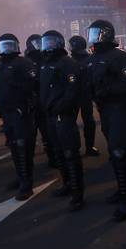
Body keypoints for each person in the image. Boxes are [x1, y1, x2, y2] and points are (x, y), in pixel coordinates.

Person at [86, 19, 126, 222]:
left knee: (119, 152)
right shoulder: (92, 59)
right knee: (113, 152)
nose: (93, 37)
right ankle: (122, 189)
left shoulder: (120, 58)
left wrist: (109, 91)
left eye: (96, 33)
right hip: (105, 111)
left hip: (120, 109)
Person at [39, 30, 85, 211]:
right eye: (46, 42)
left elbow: (73, 89)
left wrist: (61, 107)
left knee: (70, 154)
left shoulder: (68, 63)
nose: (48, 46)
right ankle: (66, 184)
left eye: (51, 42)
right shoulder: (45, 64)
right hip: (49, 115)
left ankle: (77, 193)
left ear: (58, 43)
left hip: (63, 115)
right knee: (58, 152)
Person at [0, 34, 37, 200]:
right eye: (4, 45)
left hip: (21, 110)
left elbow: (32, 85)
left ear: (16, 46)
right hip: (6, 111)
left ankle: (27, 183)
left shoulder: (23, 63)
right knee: (13, 146)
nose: (7, 49)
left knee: (23, 146)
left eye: (10, 45)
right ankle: (20, 177)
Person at [25, 34, 56, 170]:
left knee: (48, 133)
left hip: (44, 102)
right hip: (32, 103)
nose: (37, 45)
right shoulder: (26, 61)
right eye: (35, 43)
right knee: (30, 136)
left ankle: (53, 158)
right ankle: (28, 165)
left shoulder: (47, 58)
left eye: (39, 42)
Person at [67, 35, 99, 157]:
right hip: (85, 95)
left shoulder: (70, 61)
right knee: (88, 121)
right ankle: (89, 147)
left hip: (76, 95)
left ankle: (75, 148)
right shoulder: (90, 59)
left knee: (73, 123)